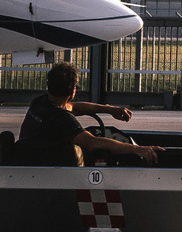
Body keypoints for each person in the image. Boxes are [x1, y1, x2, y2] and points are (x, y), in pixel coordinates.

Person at [19, 62, 162, 165]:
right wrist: (136, 149)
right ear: (72, 90)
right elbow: (92, 143)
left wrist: (109, 109)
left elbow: (74, 108)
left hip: (30, 160)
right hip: (47, 169)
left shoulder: (40, 103)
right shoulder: (61, 118)